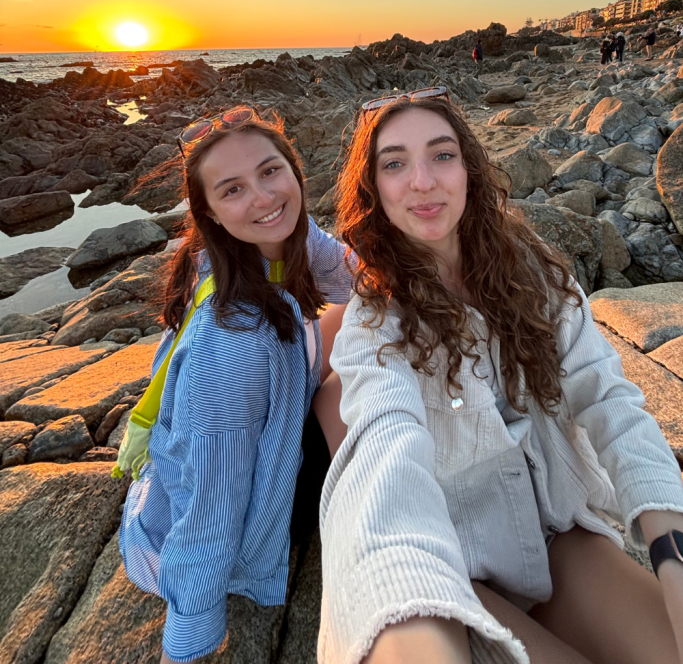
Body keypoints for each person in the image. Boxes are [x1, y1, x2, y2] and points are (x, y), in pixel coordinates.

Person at [319, 88, 683, 664]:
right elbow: (384, 461)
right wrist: (409, 636)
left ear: (468, 168)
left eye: (441, 155)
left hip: (558, 535)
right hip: (458, 563)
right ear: (374, 189)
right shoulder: (375, 320)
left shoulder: (531, 270)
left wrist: (672, 551)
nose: (423, 181)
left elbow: (609, 399)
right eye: (394, 163)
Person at [118, 107, 352, 664]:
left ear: (295, 171)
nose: (264, 198)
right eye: (233, 189)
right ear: (212, 214)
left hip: (259, 438)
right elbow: (211, 493)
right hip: (251, 520)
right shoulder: (235, 342)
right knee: (357, 383)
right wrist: (193, 628)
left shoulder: (244, 253)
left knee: (364, 314)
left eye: (271, 172)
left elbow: (347, 276)